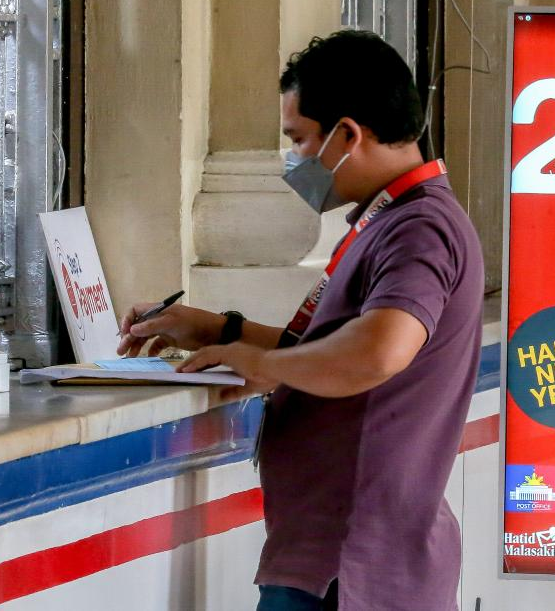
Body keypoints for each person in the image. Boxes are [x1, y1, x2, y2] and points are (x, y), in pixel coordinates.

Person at [116, 30, 484, 611]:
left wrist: (264, 365)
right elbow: (331, 345)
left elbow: (378, 352)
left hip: (354, 565)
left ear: (348, 135)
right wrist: (218, 330)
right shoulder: (390, 221)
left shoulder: (420, 229)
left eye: (298, 139)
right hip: (335, 553)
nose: (294, 160)